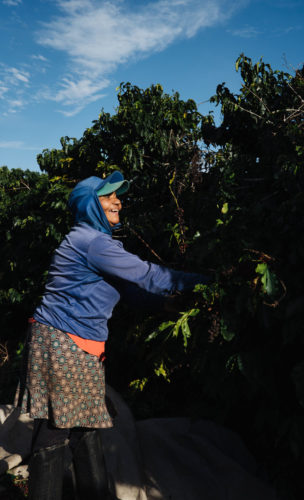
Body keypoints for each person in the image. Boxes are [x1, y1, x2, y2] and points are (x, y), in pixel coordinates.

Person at [16, 171, 208, 500]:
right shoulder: (94, 243)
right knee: (57, 428)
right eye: (107, 197)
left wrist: (164, 307)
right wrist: (206, 282)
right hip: (64, 341)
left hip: (72, 342)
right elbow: (149, 275)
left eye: (117, 196)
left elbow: (130, 291)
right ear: (90, 205)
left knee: (83, 424)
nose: (117, 201)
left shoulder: (89, 241)